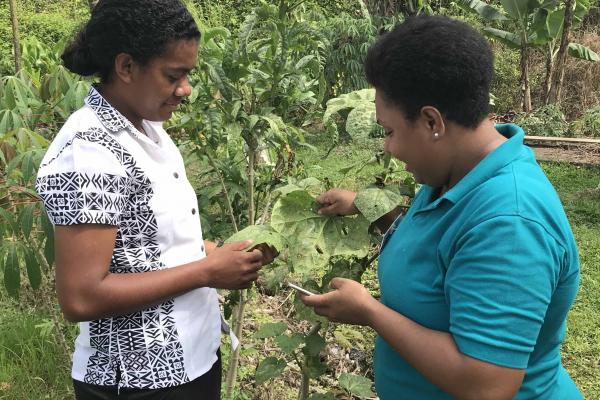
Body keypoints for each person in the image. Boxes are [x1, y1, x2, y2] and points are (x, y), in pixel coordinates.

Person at [301, 15, 582, 400]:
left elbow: (488, 384)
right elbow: (443, 247)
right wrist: (369, 208)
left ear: (432, 121)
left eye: (390, 132)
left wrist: (369, 312)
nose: (389, 147)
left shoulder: (510, 223)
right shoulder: (456, 173)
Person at [35, 1, 276, 398]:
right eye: (173, 76)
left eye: (188, 75)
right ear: (126, 67)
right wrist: (207, 272)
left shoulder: (143, 125)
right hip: (138, 380)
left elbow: (144, 246)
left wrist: (215, 254)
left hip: (191, 359)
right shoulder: (90, 151)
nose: (186, 90)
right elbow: (80, 296)